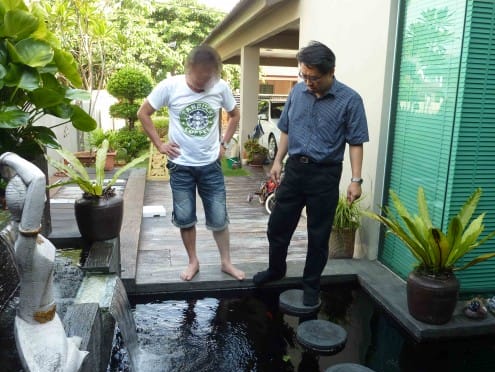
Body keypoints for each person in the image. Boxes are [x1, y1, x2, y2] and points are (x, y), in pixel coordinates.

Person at [253, 41, 369, 305]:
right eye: (303, 75)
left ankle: (311, 285)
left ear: (331, 72)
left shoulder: (350, 100)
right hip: (294, 170)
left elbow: (356, 142)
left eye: (314, 77)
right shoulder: (296, 93)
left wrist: (355, 180)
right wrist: (277, 161)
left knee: (318, 234)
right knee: (278, 225)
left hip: (325, 174)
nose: (308, 82)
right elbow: (286, 128)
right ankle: (275, 269)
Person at [137, 45, 245, 281]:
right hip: (181, 166)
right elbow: (143, 113)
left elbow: (235, 115)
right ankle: (193, 261)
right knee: (185, 217)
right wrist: (159, 144)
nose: (203, 84)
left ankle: (226, 262)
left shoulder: (220, 87)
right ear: (189, 69)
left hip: (211, 165)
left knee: (218, 217)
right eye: (198, 78)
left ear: (215, 74)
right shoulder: (169, 86)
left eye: (208, 79)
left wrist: (224, 144)